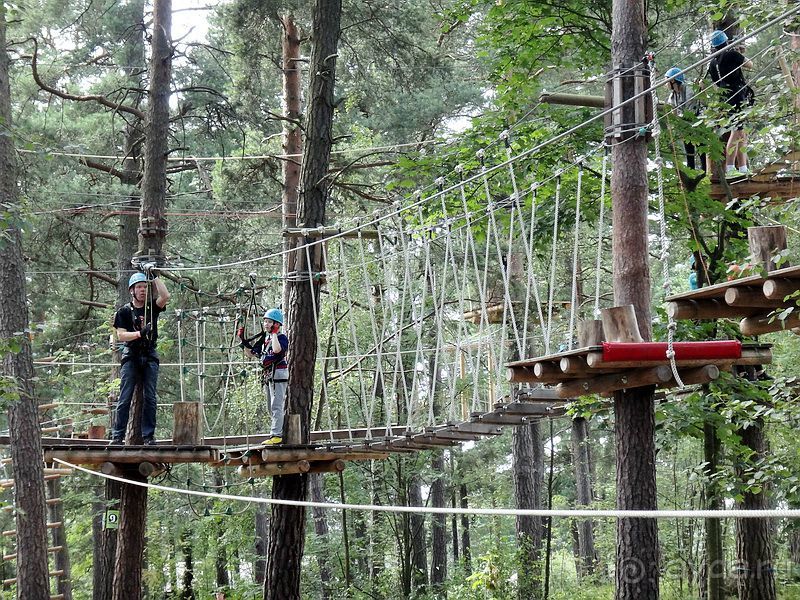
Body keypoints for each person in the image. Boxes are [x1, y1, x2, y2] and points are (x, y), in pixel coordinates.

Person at [111, 266, 170, 445]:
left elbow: (165, 296)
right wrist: (139, 334)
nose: (143, 290)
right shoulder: (124, 312)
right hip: (132, 355)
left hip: (149, 354)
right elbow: (120, 335)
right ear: (132, 291)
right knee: (125, 396)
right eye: (139, 287)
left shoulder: (152, 307)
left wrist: (153, 277)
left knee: (150, 397)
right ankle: (117, 436)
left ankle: (148, 436)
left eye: (145, 287)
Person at [238, 308, 289, 446]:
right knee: (270, 407)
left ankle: (276, 435)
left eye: (269, 322)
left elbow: (278, 350)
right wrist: (243, 341)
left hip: (278, 374)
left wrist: (274, 334)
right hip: (269, 376)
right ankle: (275, 432)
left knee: (276, 406)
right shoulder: (265, 339)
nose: (266, 324)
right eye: (265, 321)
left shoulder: (281, 338)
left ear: (276, 324)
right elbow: (251, 354)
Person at [708, 29, 754, 177]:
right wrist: (738, 54)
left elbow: (716, 84)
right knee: (736, 132)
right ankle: (729, 167)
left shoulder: (712, 63)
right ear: (726, 41)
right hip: (737, 95)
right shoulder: (732, 55)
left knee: (741, 133)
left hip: (725, 98)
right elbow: (750, 65)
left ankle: (742, 168)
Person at [665, 67, 705, 172]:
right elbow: (673, 111)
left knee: (702, 149)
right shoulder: (673, 96)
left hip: (698, 122)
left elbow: (690, 110)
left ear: (673, 80)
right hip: (686, 126)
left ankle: (705, 172)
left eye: (667, 80)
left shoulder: (689, 89)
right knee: (689, 150)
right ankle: (691, 172)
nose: (666, 83)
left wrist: (679, 118)